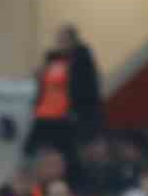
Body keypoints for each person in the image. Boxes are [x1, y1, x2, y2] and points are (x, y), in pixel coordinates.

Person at [27, 24, 100, 166]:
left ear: (73, 41)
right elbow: (42, 83)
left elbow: (86, 90)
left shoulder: (82, 61)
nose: (61, 44)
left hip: (65, 116)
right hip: (44, 113)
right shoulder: (51, 60)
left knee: (68, 154)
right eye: (59, 40)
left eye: (64, 40)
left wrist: (78, 113)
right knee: (32, 151)